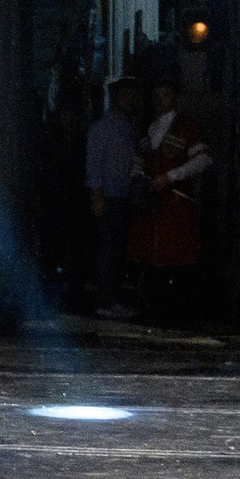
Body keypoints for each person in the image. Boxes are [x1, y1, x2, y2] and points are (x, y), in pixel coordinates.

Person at [131, 80, 209, 279]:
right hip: (151, 202)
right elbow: (139, 160)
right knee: (151, 255)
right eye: (157, 96)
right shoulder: (150, 127)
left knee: (177, 254)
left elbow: (203, 160)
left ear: (174, 97)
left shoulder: (187, 125)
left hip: (176, 200)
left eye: (165, 95)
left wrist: (170, 176)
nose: (160, 100)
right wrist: (139, 176)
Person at [84, 77, 143, 317]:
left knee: (117, 249)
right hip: (109, 195)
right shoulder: (103, 127)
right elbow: (94, 163)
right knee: (109, 249)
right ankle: (107, 301)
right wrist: (97, 194)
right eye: (125, 94)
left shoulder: (129, 126)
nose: (130, 99)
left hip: (122, 195)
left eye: (132, 94)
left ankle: (113, 298)